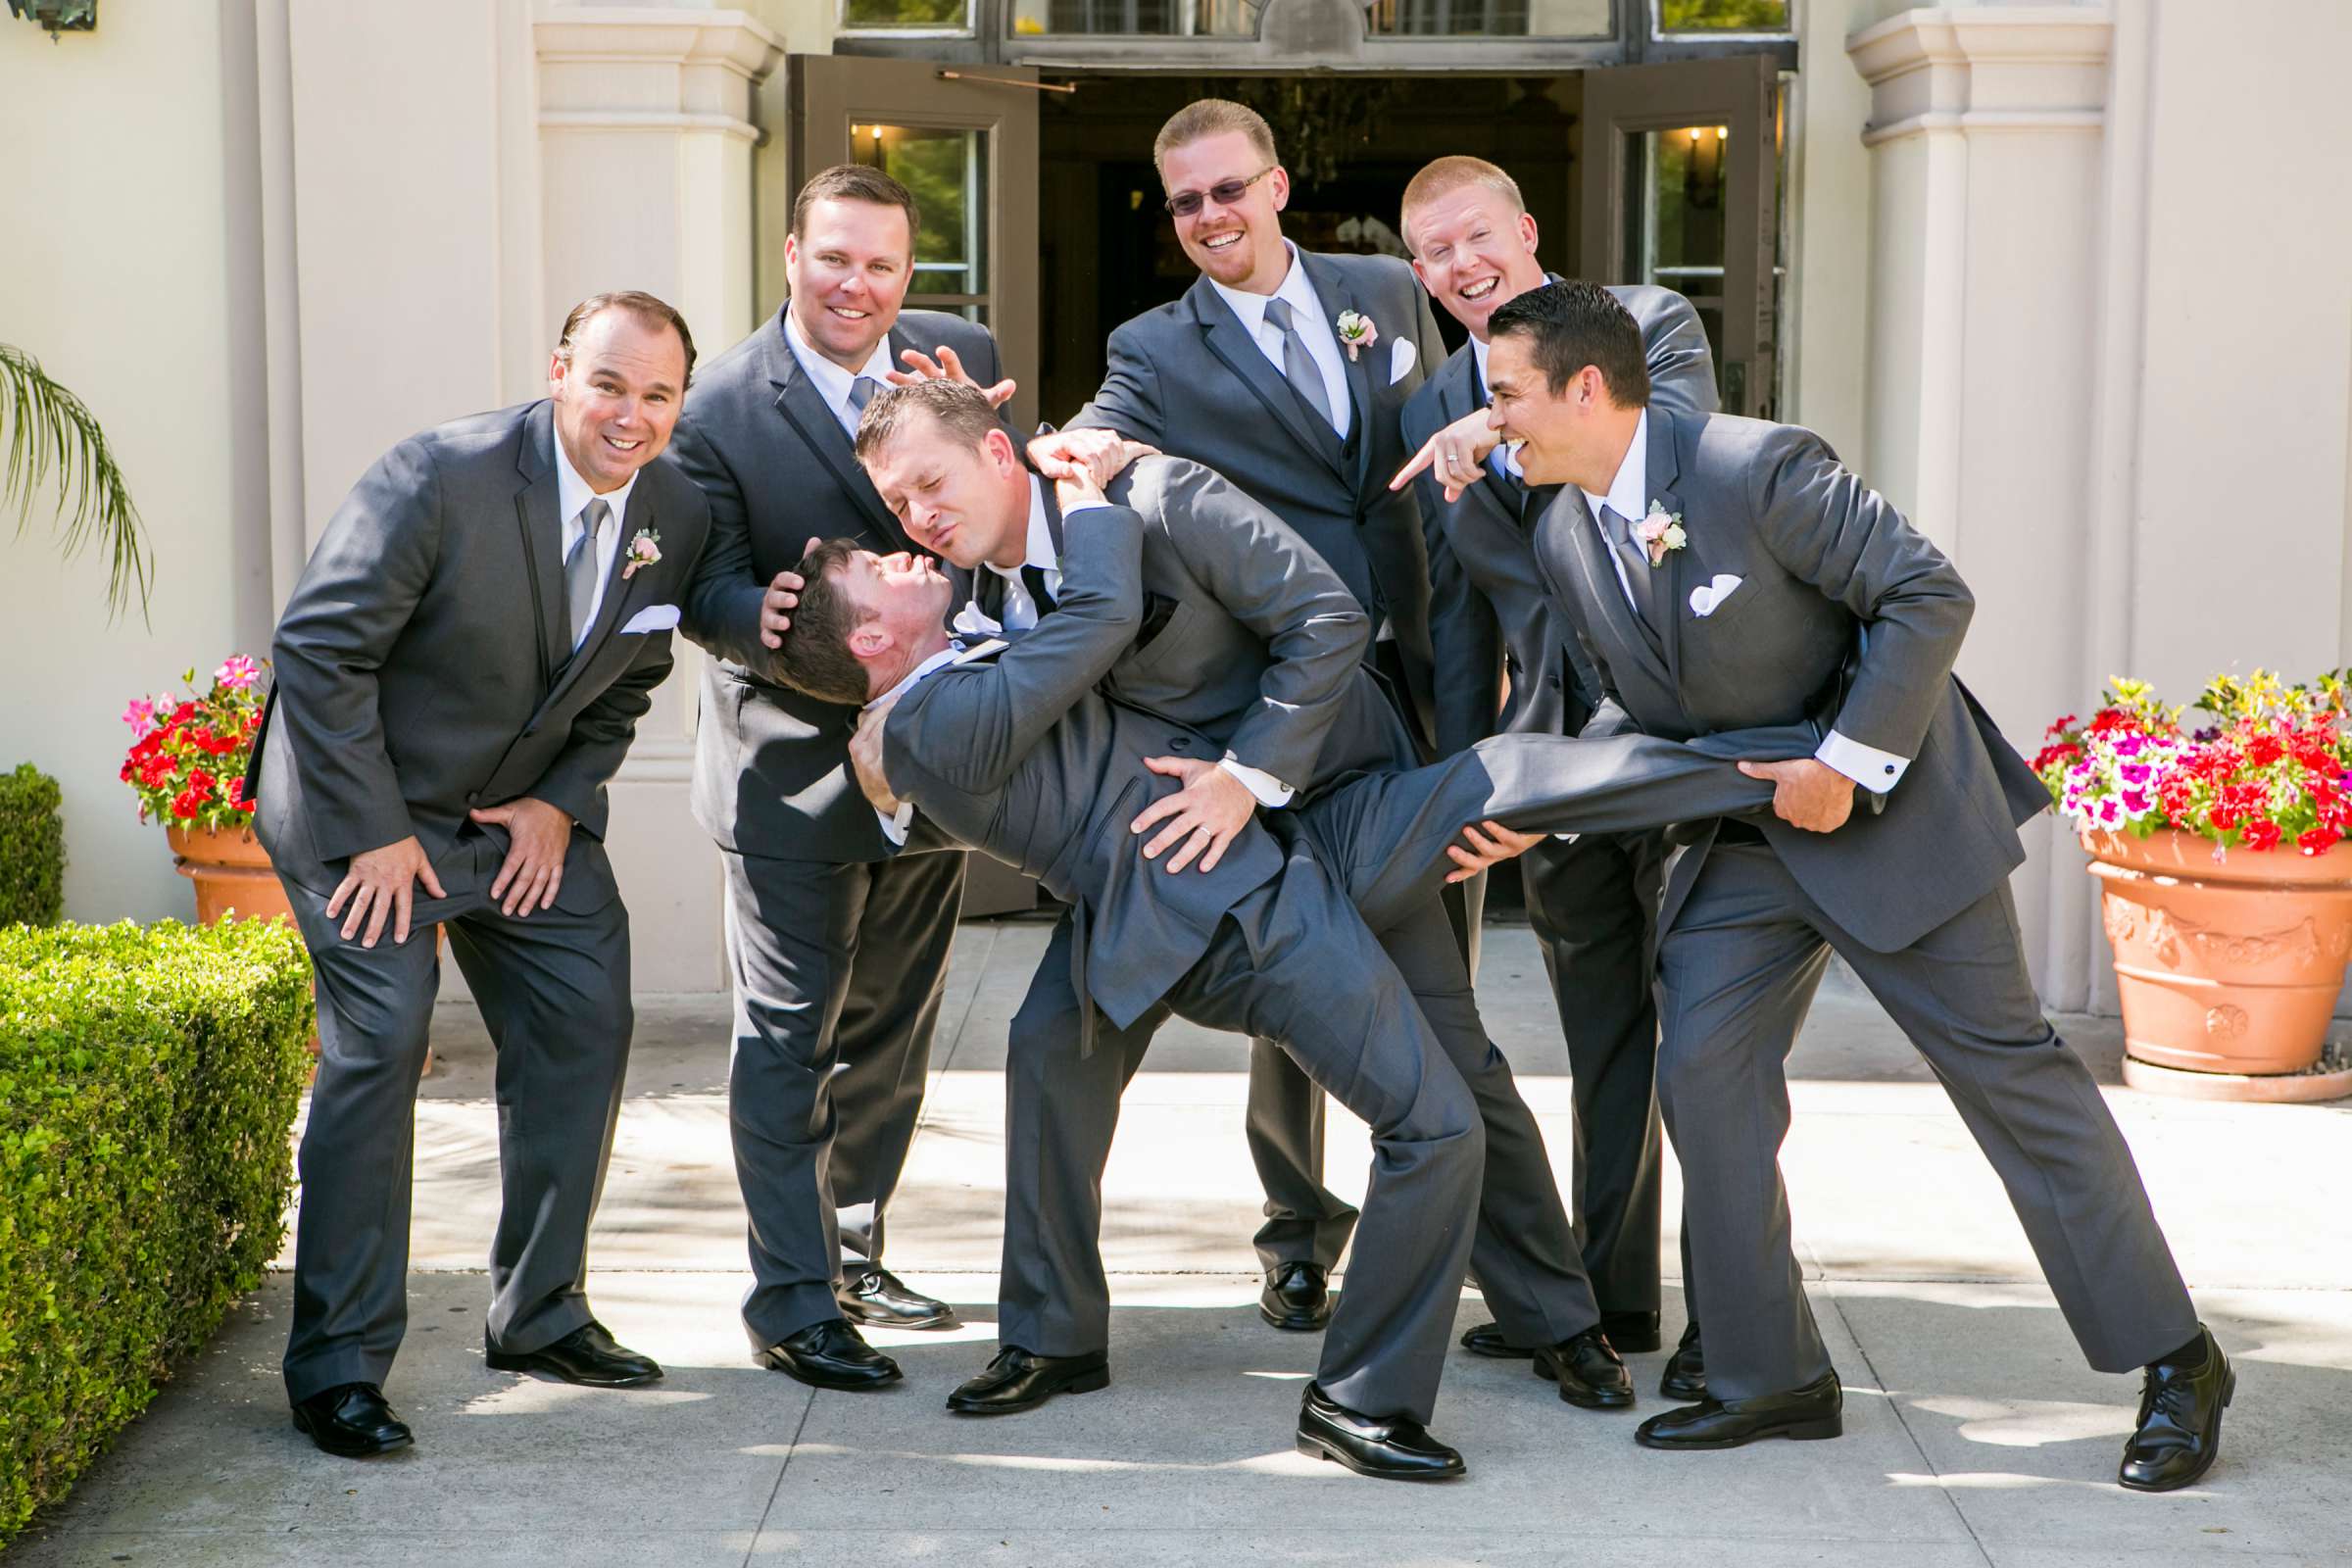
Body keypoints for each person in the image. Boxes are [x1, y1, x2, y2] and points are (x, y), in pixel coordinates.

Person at [774, 504, 1807, 1479]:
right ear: (870, 640)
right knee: (1417, 1119)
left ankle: (1761, 769)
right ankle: (1339, 1396)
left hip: (1297, 810)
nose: (907, 540)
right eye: (881, 562)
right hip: (1215, 897)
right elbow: (1090, 622)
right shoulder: (933, 712)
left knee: (1505, 801)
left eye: (915, 513)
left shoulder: (957, 652)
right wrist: (1080, 502)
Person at [1482, 278, 2231, 1491]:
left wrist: (1846, 761)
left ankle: (2177, 1358)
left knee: (2014, 1083)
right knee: (1703, 1072)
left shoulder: (1757, 466)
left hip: (1890, 820)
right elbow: (1635, 698)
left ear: (1583, 386)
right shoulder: (1565, 529)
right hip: (1740, 842)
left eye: (1506, 392)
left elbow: (1927, 593)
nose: (1492, 417)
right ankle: (1768, 1373)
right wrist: (1543, 806)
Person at [847, 379, 1631, 1423]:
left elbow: (1327, 617)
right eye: (897, 506)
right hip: (1166, 859)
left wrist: (1245, 775)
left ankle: (1558, 1319)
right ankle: (1052, 1338)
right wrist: (884, 763)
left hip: (1325, 793)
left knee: (1451, 1061)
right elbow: (1007, 759)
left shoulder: (1160, 497)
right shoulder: (970, 600)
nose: (918, 518)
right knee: (1050, 1048)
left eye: (929, 484)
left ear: (999, 453)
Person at [247, 291, 708, 1457]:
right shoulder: (436, 476)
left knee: (585, 1013)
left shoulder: (679, 511)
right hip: (367, 806)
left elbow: (633, 674)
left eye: (657, 395)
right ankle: (338, 1367)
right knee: (384, 1039)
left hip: (515, 820)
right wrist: (377, 830)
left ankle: (540, 1310)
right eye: (608, 384)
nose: (629, 415)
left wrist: (563, 800)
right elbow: (317, 648)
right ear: (560, 370)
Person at [1029, 96, 1450, 1332]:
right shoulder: (1155, 346)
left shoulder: (1388, 286)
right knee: (1296, 963)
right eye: (1187, 202)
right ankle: (1300, 1224)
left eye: (1229, 189)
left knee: (1425, 981)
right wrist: (1044, 448)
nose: (1211, 215)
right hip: (1287, 683)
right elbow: (1098, 435)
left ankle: (1439, 1205)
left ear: (1275, 188)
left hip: (1419, 669)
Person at [669, 165, 1008, 1393]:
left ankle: (853, 1244)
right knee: (788, 1039)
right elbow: (690, 578)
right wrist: (743, 612)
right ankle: (792, 1297)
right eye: (835, 260)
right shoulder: (715, 406)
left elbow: (996, 504)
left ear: (908, 272)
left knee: (894, 1029)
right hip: (790, 770)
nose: (857, 286)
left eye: (881, 264)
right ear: (792, 256)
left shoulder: (955, 355)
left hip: (936, 760)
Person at [1393, 153, 1716, 1389]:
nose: (1461, 266)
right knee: (1604, 1035)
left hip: (1686, 739)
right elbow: (1464, 613)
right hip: (1558, 762)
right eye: (1434, 254)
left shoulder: (1647, 325)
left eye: (1477, 236)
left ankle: (1737, 1308)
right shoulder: (1427, 408)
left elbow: (1673, 458)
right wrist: (1477, 772)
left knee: (1707, 1042)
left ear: (1526, 228)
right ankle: (1616, 1293)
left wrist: (1506, 421)